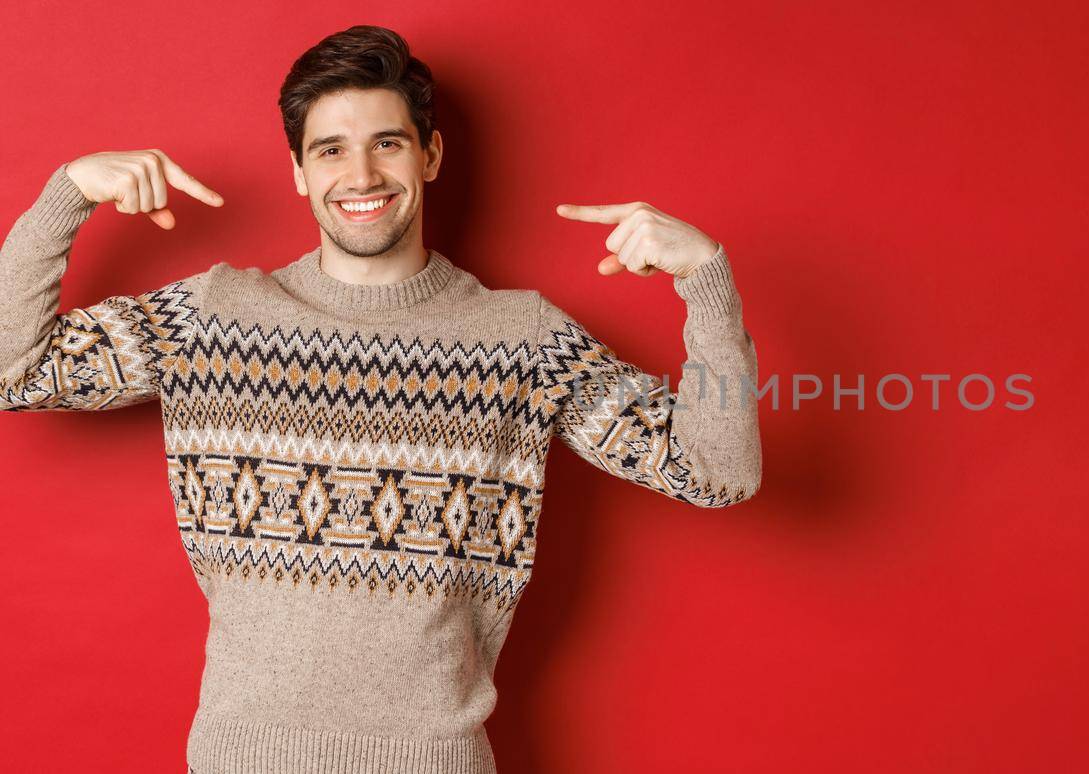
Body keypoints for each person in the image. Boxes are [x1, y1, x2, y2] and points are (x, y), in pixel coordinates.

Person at [0, 24, 761, 773]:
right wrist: (66, 195)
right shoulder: (216, 316)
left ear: (429, 154)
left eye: (387, 142)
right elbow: (14, 372)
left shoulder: (522, 339)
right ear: (299, 171)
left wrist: (706, 283)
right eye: (330, 149)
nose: (360, 174)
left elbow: (716, 472)